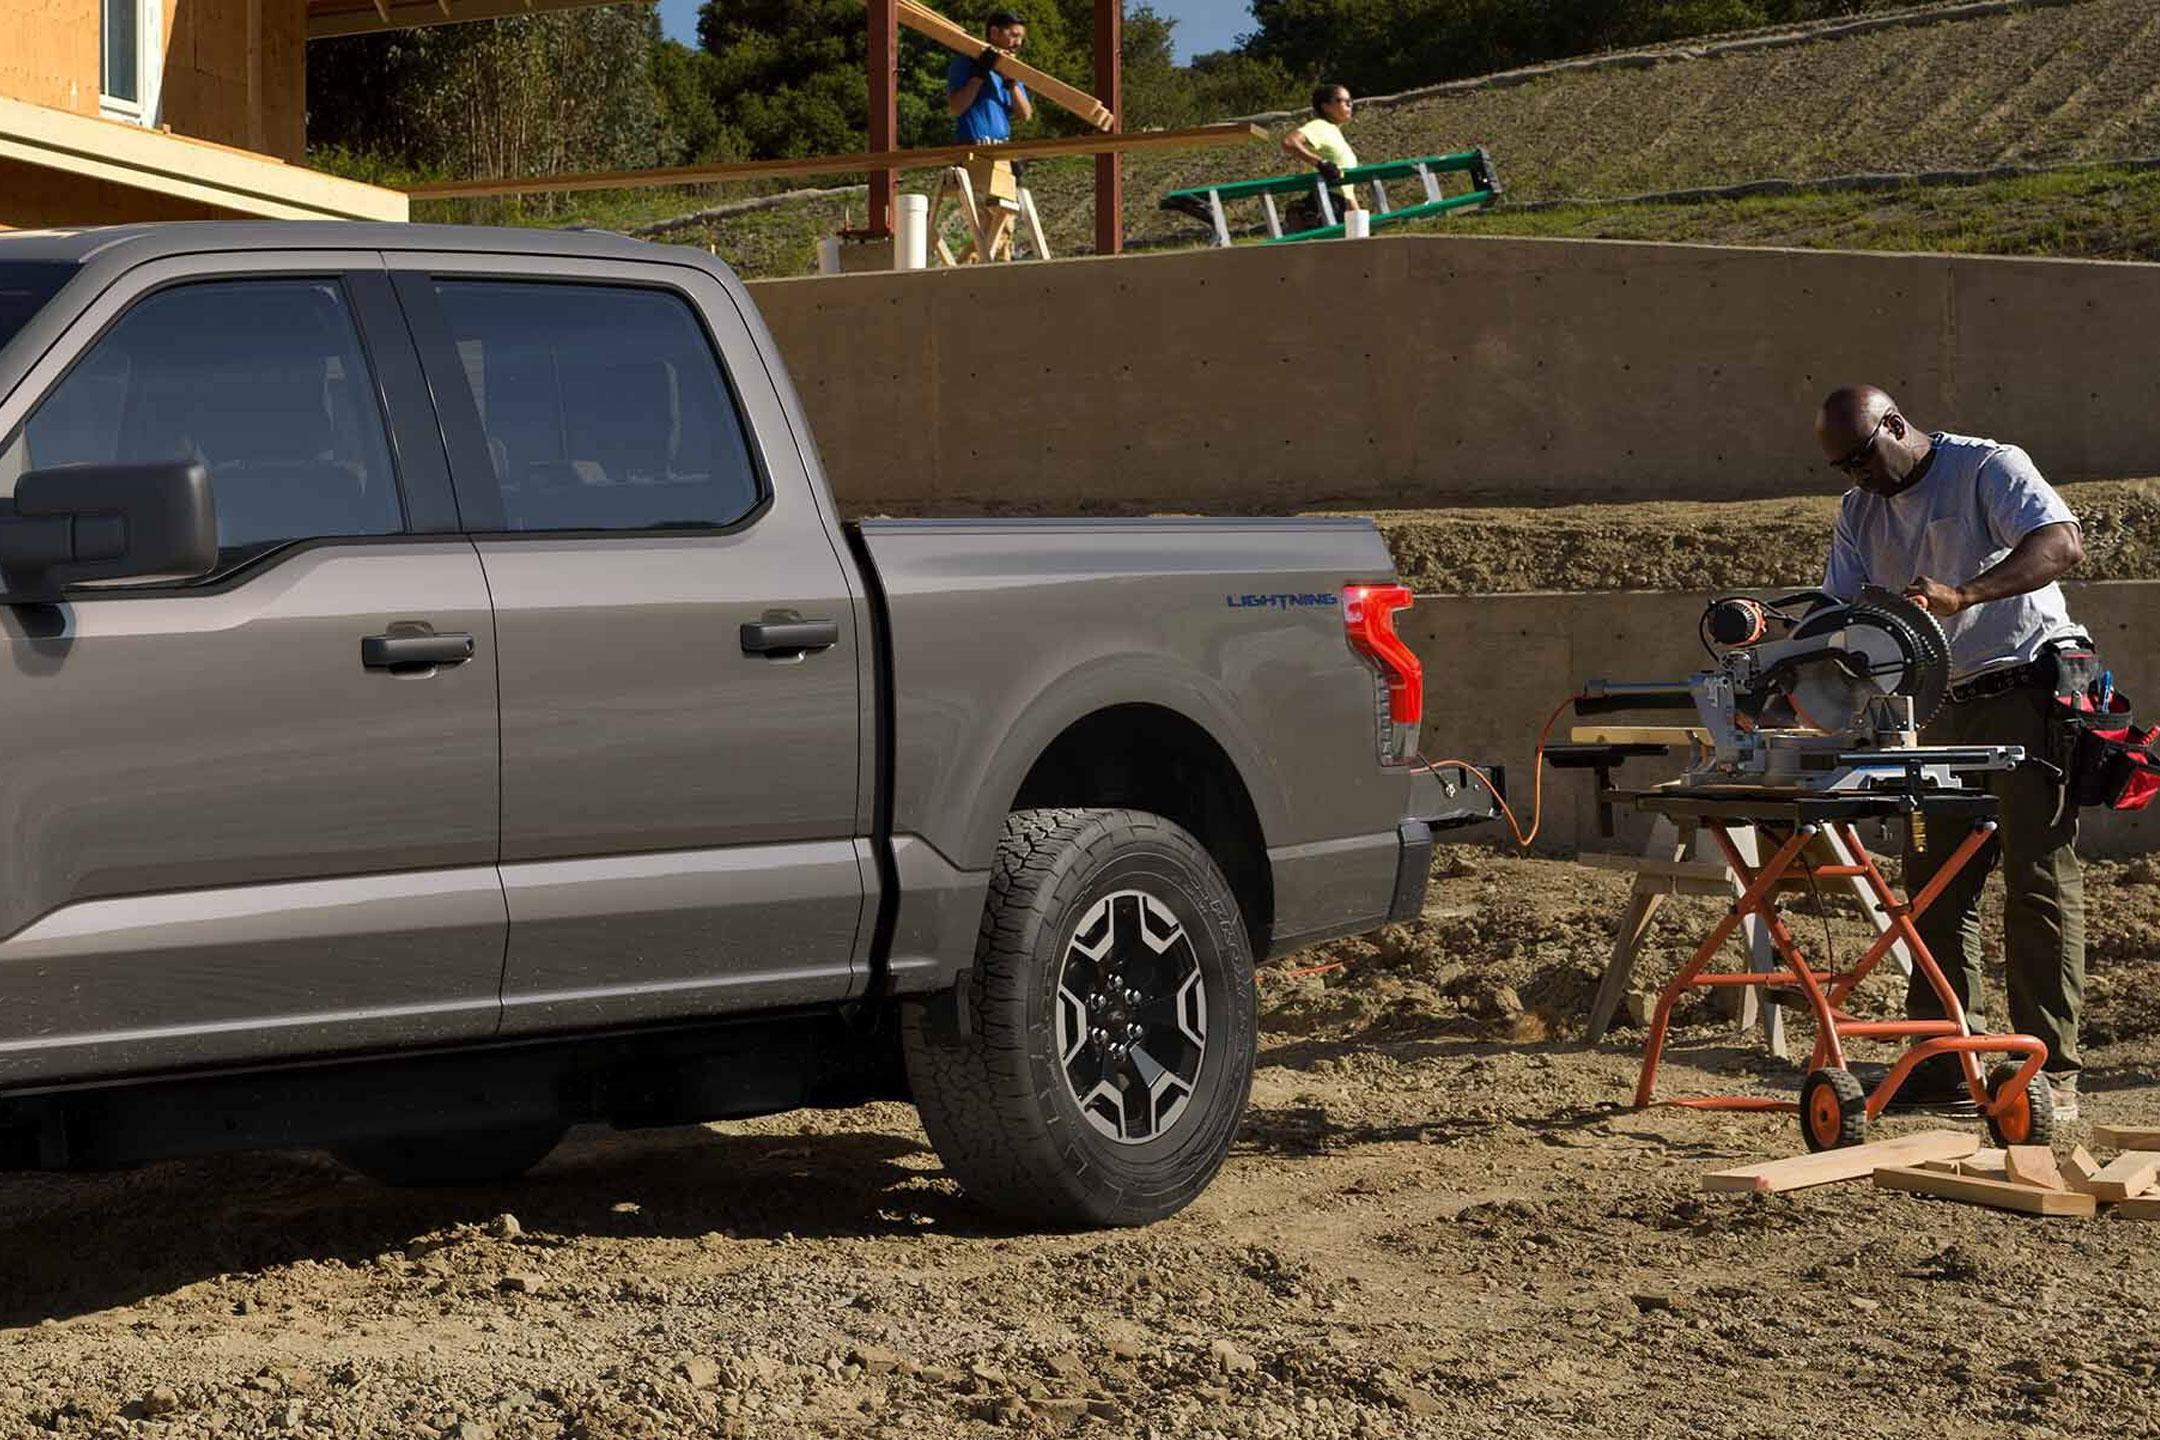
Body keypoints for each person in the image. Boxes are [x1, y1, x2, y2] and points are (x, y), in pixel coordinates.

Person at [1815, 384, 2090, 1119]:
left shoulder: (1986, 468)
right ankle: (1944, 1061)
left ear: (1896, 426)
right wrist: (1785, 642)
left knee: (2037, 882)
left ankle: (2049, 1074)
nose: (1857, 477)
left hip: (2028, 683)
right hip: (1940, 703)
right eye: (1842, 468)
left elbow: (2062, 542)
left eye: (1862, 458)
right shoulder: (1858, 511)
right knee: (1936, 890)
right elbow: (1836, 610)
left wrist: (1966, 594)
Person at [946, 10, 1034, 261]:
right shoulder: (966, 63)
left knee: (1004, 226)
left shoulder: (1011, 70)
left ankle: (981, 266)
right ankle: (976, 267)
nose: (1018, 43)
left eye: (1021, 38)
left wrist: (1012, 83)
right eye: (1013, 35)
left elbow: (1025, 113)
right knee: (989, 219)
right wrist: (978, 76)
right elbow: (956, 107)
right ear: (994, 32)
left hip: (1002, 151)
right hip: (973, 150)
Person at [1281, 83, 1360, 224]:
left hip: (1341, 204)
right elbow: (1289, 142)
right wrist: (1320, 163)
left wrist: (1356, 214)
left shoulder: (1334, 131)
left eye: (1351, 101)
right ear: (1326, 106)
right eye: (1343, 101)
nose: (1350, 105)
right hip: (1328, 202)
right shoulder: (1320, 126)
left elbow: (1345, 188)